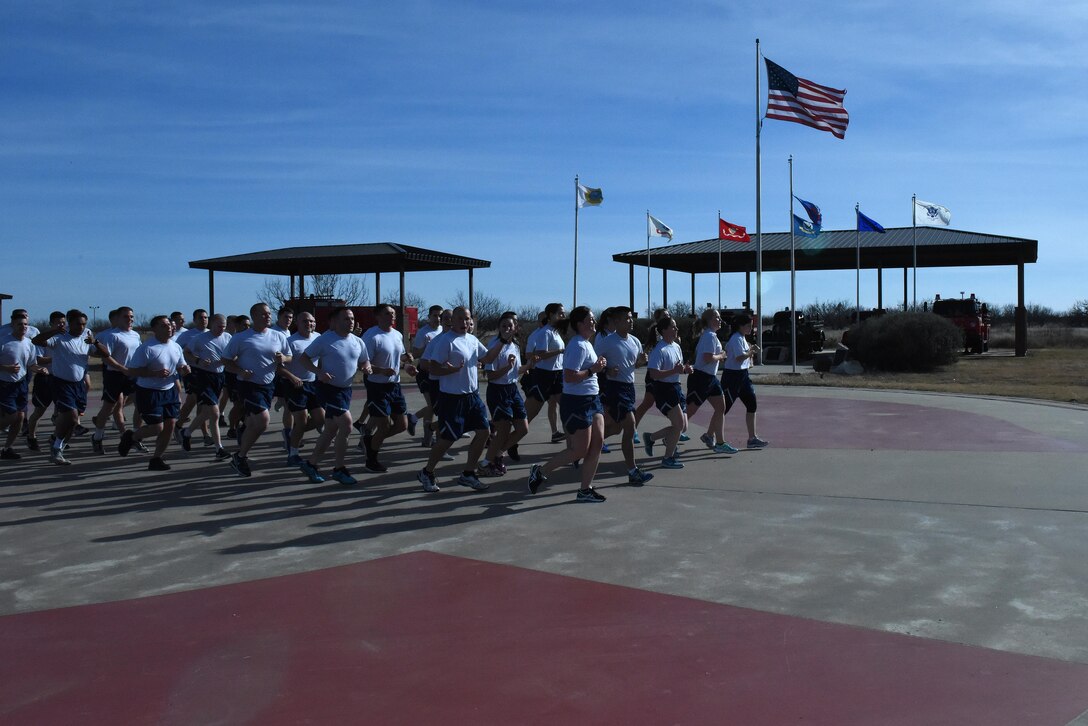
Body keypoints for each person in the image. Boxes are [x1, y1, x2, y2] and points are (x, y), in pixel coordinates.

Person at [526, 306, 609, 502]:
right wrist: (593, 370)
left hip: (593, 399)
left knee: (597, 444)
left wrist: (598, 366)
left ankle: (585, 490)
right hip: (577, 402)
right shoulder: (577, 345)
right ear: (580, 324)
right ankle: (540, 471)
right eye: (590, 319)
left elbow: (587, 370)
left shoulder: (588, 344)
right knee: (579, 450)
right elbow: (570, 377)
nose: (594, 321)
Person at [416, 306, 503, 493]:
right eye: (460, 319)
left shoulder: (472, 339)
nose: (465, 323)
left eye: (467, 319)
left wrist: (503, 341)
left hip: (472, 396)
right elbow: (431, 368)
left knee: (483, 432)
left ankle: (468, 474)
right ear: (452, 321)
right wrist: (449, 370)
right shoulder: (445, 341)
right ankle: (427, 471)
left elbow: (487, 358)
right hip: (452, 398)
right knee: (447, 439)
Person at [297, 306, 371, 485]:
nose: (351, 322)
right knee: (346, 424)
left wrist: (366, 367)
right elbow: (304, 359)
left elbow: (364, 359)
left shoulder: (357, 341)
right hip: (328, 389)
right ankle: (339, 468)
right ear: (336, 322)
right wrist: (318, 371)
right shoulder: (325, 339)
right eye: (346, 319)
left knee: (330, 430)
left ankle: (311, 464)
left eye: (352, 318)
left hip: (345, 390)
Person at [219, 303, 291, 477]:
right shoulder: (241, 338)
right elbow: (225, 360)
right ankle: (240, 456)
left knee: (254, 423)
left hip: (268, 385)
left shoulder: (278, 336)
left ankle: (244, 437)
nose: (268, 316)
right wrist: (240, 371)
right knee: (263, 420)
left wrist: (284, 358)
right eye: (263, 314)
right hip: (248, 384)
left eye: (269, 314)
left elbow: (289, 357)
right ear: (254, 316)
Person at [118, 315, 190, 470]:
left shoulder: (175, 346)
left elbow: (181, 365)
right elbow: (132, 371)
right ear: (155, 329)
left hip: (169, 390)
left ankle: (156, 458)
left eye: (170, 325)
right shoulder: (147, 348)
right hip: (149, 392)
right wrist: (153, 373)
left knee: (170, 425)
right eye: (164, 326)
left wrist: (185, 369)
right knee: (157, 428)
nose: (169, 328)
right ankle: (131, 437)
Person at [593, 306, 654, 485]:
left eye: (631, 317)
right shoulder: (607, 341)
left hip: (629, 388)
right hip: (614, 388)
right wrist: (607, 369)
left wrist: (641, 362)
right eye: (627, 318)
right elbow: (593, 362)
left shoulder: (634, 341)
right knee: (630, 425)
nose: (631, 320)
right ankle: (632, 471)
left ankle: (585, 447)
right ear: (617, 322)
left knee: (617, 428)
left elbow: (633, 365)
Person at [32, 309, 99, 466]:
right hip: (61, 383)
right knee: (72, 416)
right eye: (78, 324)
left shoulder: (86, 336)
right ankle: (56, 448)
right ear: (69, 323)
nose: (81, 327)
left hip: (79, 384)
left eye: (84, 324)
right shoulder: (60, 337)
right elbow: (36, 340)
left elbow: (104, 354)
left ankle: (57, 445)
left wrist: (95, 342)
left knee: (71, 423)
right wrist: (54, 330)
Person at [359, 304, 418, 473]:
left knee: (402, 425)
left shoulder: (397, 335)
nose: (392, 316)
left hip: (395, 385)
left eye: (393, 313)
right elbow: (363, 364)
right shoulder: (371, 336)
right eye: (387, 314)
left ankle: (369, 441)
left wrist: (408, 366)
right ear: (377, 317)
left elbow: (398, 360)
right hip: (377, 386)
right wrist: (381, 371)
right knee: (383, 426)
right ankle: (371, 460)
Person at [685, 308, 740, 454]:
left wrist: (720, 355)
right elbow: (707, 358)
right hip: (701, 378)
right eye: (717, 317)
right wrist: (722, 356)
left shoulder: (711, 336)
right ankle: (668, 436)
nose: (720, 320)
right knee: (689, 413)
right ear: (709, 321)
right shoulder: (709, 336)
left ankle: (718, 441)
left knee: (721, 408)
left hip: (710, 378)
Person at [479, 313, 528, 476]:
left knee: (523, 428)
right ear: (499, 328)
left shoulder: (515, 345)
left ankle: (498, 454)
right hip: (498, 391)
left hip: (512, 390)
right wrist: (507, 368)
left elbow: (517, 370)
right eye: (503, 326)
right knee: (504, 430)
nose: (507, 329)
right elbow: (490, 376)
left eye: (510, 326)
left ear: (515, 328)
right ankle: (486, 462)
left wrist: (530, 365)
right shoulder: (494, 345)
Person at [89, 307, 142, 455]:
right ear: (117, 319)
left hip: (131, 375)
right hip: (114, 375)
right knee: (110, 407)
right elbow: (106, 356)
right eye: (126, 317)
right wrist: (121, 367)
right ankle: (97, 436)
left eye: (131, 316)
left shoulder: (135, 335)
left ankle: (135, 437)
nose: (130, 319)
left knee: (140, 404)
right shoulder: (111, 336)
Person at [641, 316, 692, 469]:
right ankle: (667, 458)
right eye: (673, 327)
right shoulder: (659, 349)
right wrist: (674, 370)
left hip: (676, 387)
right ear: (664, 330)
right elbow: (654, 374)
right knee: (678, 424)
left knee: (683, 427)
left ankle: (651, 438)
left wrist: (685, 369)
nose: (676, 329)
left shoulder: (676, 346)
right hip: (663, 389)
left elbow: (678, 367)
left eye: (676, 327)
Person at [180, 313, 232, 459]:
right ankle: (219, 449)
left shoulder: (228, 338)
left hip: (219, 376)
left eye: (224, 327)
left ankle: (187, 432)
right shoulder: (199, 338)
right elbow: (186, 353)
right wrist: (198, 360)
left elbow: (234, 355)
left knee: (206, 412)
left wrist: (226, 360)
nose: (221, 329)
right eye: (218, 326)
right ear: (211, 324)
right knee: (215, 413)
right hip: (203, 376)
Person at [721, 314, 769, 449]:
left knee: (751, 404)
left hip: (743, 376)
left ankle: (752, 438)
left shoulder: (742, 338)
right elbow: (739, 357)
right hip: (732, 377)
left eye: (751, 325)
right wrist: (751, 352)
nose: (751, 328)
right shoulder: (736, 338)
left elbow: (745, 356)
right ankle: (710, 434)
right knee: (723, 408)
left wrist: (750, 351)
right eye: (748, 325)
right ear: (740, 326)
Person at [282, 312, 323, 465]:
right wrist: (292, 377)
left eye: (312, 321)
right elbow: (279, 367)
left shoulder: (318, 338)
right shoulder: (290, 341)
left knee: (321, 419)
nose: (309, 324)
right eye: (305, 321)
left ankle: (292, 435)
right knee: (301, 419)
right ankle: (293, 454)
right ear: (297, 323)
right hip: (295, 385)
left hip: (313, 384)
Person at [0, 311, 41, 460]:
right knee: (11, 417)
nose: (23, 327)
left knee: (20, 418)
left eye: (25, 324)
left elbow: (32, 364)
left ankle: (7, 448)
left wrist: (40, 369)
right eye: (19, 324)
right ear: (12, 325)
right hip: (5, 384)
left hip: (21, 384)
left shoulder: (29, 343)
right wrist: (6, 368)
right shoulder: (3, 341)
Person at [524, 303, 566, 443]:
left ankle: (570, 439)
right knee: (531, 411)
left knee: (566, 406)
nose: (563, 316)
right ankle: (505, 436)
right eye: (560, 313)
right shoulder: (543, 333)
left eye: (563, 313)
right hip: (543, 375)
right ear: (550, 316)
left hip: (557, 374)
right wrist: (560, 351)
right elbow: (540, 353)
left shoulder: (556, 332)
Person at [24, 310, 66, 451]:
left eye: (63, 322)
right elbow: (38, 360)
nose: (61, 325)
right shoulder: (43, 338)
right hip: (45, 379)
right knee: (39, 412)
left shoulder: (66, 338)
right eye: (58, 323)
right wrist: (57, 359)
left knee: (64, 413)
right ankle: (31, 436)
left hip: (61, 379)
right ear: (51, 324)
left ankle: (55, 438)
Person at [632, 308, 674, 444]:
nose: (667, 317)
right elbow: (649, 351)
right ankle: (633, 430)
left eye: (668, 315)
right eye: (664, 316)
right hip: (655, 375)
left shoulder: (671, 333)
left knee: (673, 403)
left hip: (668, 377)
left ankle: (676, 427)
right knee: (648, 402)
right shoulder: (655, 334)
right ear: (658, 319)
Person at [174, 308, 211, 445]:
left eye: (206, 317)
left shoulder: (211, 334)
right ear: (194, 320)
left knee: (205, 403)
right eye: (201, 318)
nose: (204, 320)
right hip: (193, 372)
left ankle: (205, 434)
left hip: (209, 373)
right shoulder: (187, 335)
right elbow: (177, 352)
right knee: (193, 400)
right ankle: (178, 426)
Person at [410, 305, 445, 447]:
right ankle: (428, 437)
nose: (438, 319)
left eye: (440, 316)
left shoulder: (444, 331)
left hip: (439, 372)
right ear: (429, 317)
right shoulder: (423, 333)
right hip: (424, 372)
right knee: (431, 405)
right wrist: (427, 347)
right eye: (435, 316)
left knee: (436, 406)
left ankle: (414, 418)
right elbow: (415, 353)